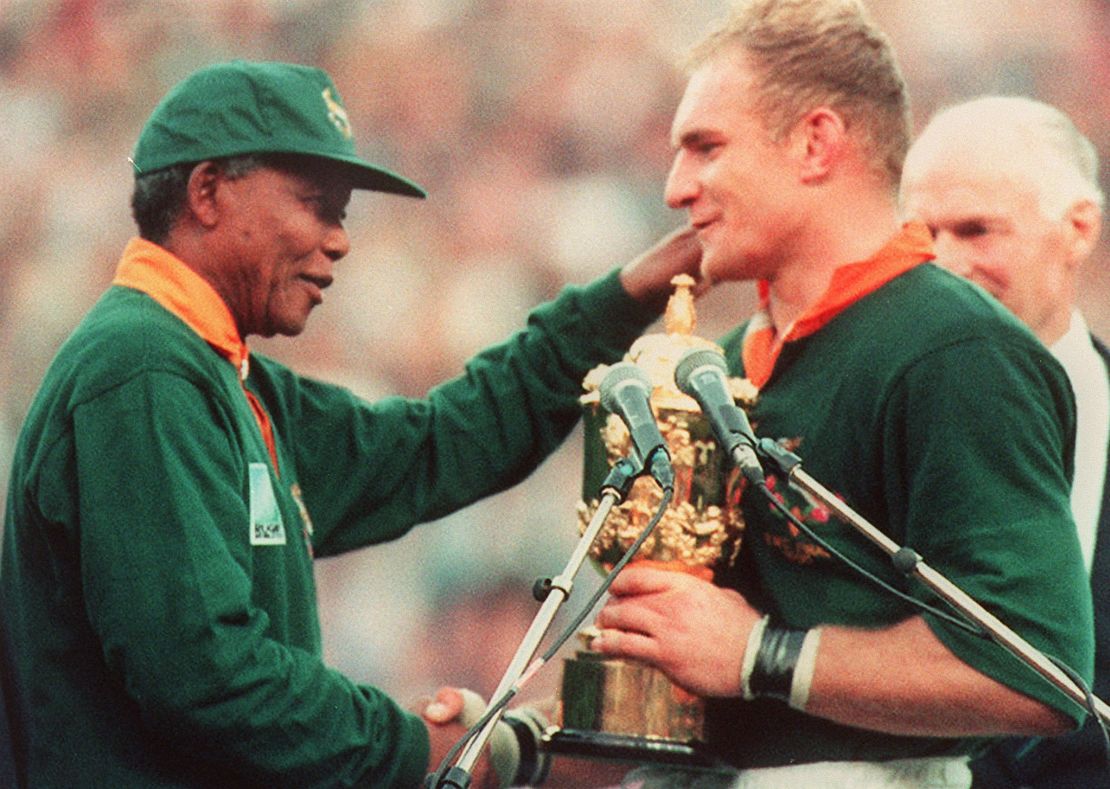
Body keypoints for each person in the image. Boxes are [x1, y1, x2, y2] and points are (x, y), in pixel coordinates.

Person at [0, 59, 704, 788]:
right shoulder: (144, 368)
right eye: (316, 204)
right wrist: (413, 745)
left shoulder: (222, 373)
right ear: (207, 192)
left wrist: (624, 298)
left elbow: (432, 447)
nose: (338, 240)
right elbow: (206, 676)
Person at [583, 2, 1095, 787]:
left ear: (816, 144)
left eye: (706, 147)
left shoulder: (957, 350)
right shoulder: (712, 367)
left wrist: (762, 655)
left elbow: (1040, 674)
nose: (676, 186)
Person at [899, 95, 1108, 788]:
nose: (941, 263)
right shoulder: (857, 416)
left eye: (976, 230)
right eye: (921, 233)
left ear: (1079, 229)